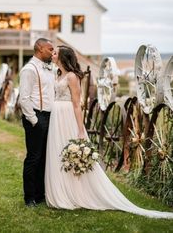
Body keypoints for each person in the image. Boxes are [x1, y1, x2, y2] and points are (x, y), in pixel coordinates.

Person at [45, 45, 173, 219]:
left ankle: (75, 193)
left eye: (55, 53)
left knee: (68, 151)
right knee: (56, 151)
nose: (52, 55)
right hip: (56, 116)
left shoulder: (72, 77)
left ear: (63, 57)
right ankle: (60, 192)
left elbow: (77, 104)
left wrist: (80, 129)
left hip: (66, 116)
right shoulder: (57, 73)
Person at [19, 38, 55, 207]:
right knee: (33, 158)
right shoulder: (29, 69)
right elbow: (24, 99)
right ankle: (29, 198)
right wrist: (34, 120)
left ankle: (40, 194)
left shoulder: (50, 68)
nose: (52, 52)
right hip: (36, 117)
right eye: (50, 49)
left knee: (44, 158)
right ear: (40, 49)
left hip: (50, 116)